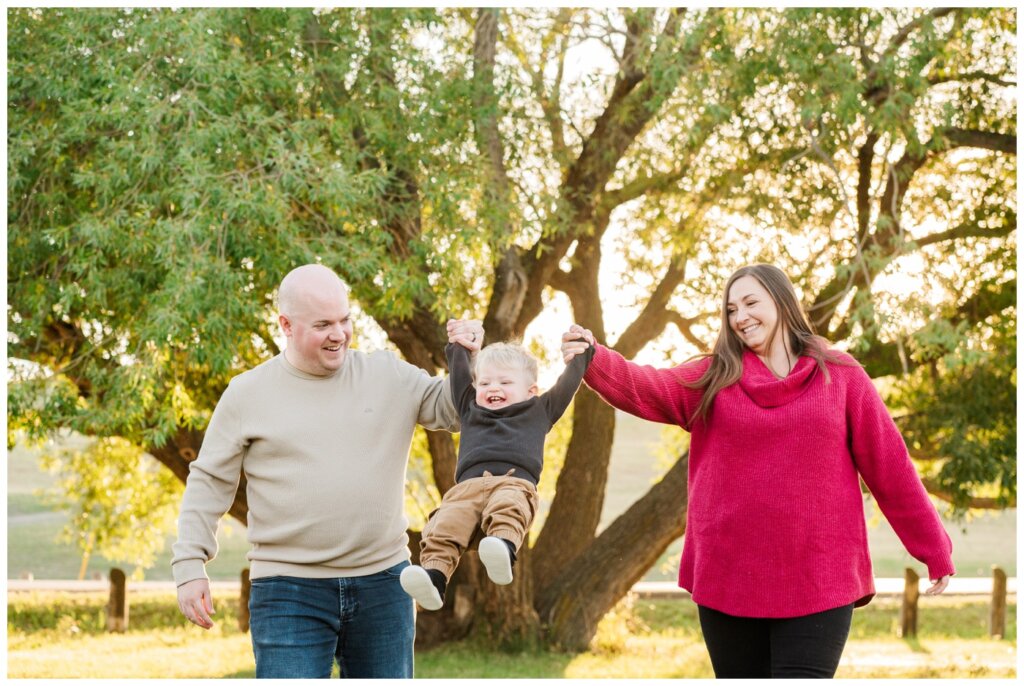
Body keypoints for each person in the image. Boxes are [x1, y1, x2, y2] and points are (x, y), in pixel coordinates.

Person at [561, 263, 954, 679]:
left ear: (783, 302)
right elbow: (647, 386)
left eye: (751, 303)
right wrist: (594, 356)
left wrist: (934, 549)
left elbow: (890, 466)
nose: (741, 317)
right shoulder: (715, 376)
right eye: (731, 310)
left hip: (818, 578)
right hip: (729, 578)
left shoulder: (839, 375)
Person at [171, 263, 484, 679]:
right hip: (287, 591)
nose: (338, 334)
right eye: (322, 324)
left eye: (344, 320)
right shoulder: (247, 393)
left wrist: (470, 361)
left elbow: (456, 411)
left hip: (384, 584)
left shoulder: (387, 374)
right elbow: (209, 482)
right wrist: (189, 565)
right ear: (285, 324)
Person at [399, 332, 594, 610]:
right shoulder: (469, 406)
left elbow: (567, 384)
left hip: (514, 482)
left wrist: (581, 355)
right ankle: (434, 579)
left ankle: (502, 546)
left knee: (509, 506)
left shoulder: (540, 410)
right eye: (486, 382)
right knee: (443, 525)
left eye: (505, 382)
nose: (493, 388)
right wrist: (459, 345)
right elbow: (458, 374)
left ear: (531, 390)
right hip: (466, 490)